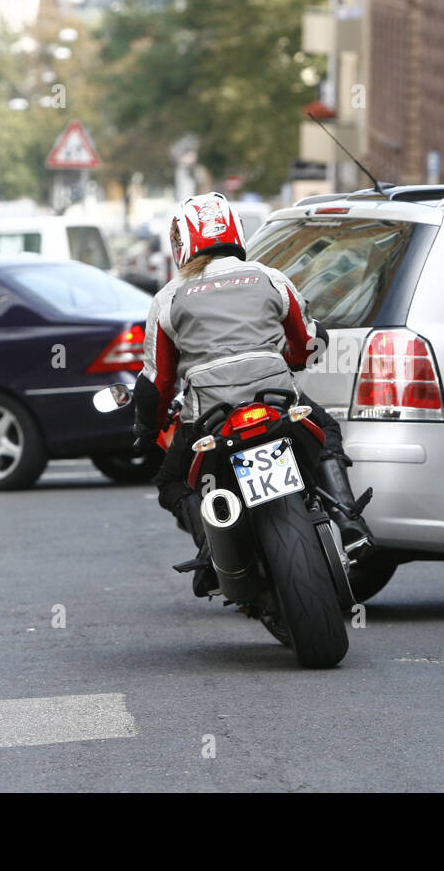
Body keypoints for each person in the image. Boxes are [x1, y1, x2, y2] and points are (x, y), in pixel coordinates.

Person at [132, 192, 372, 596]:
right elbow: (306, 343)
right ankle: (347, 517)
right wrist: (295, 357)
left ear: (183, 243)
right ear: (235, 230)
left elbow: (157, 383)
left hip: (209, 416)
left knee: (172, 481)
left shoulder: (169, 298)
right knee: (326, 430)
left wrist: (146, 426)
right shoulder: (269, 277)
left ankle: (211, 553)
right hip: (276, 401)